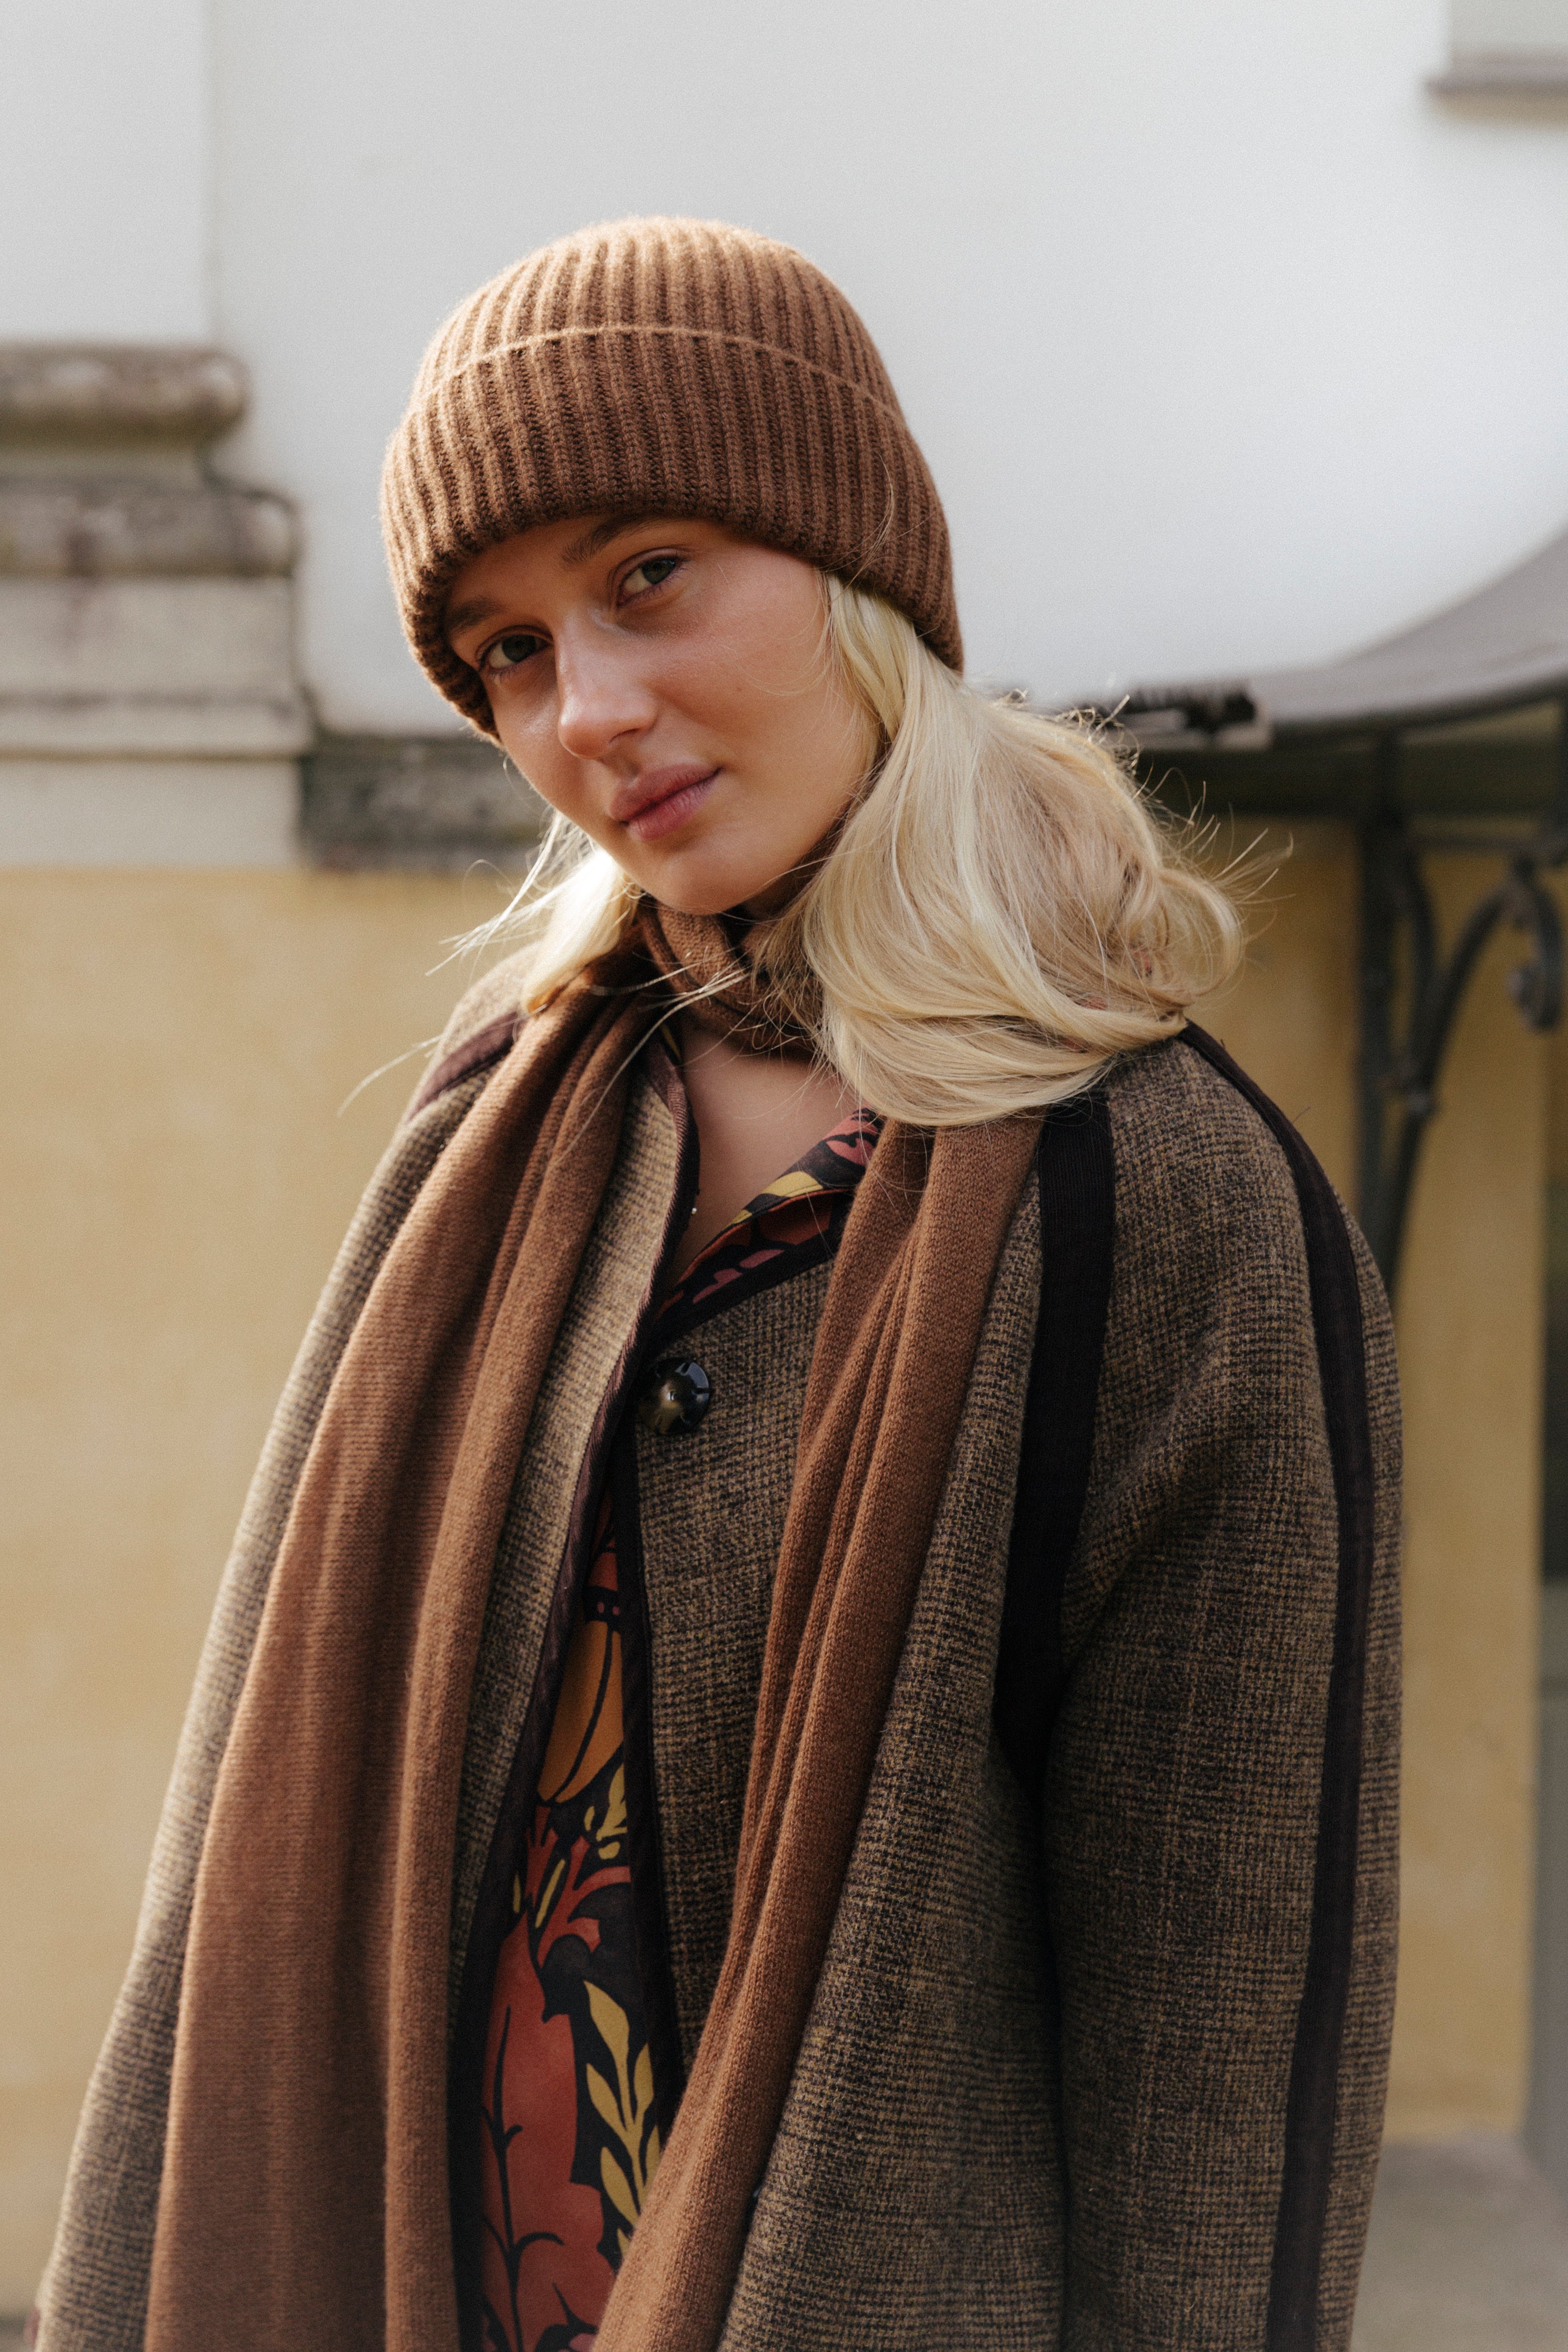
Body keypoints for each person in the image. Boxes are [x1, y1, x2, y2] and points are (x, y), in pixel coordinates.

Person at [34, 217, 1400, 2352]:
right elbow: (238, 1883)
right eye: (503, 651)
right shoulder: (492, 1138)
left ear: (856, 568)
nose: (587, 709)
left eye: (648, 569)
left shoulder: (1163, 1203)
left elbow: (1219, 2074)